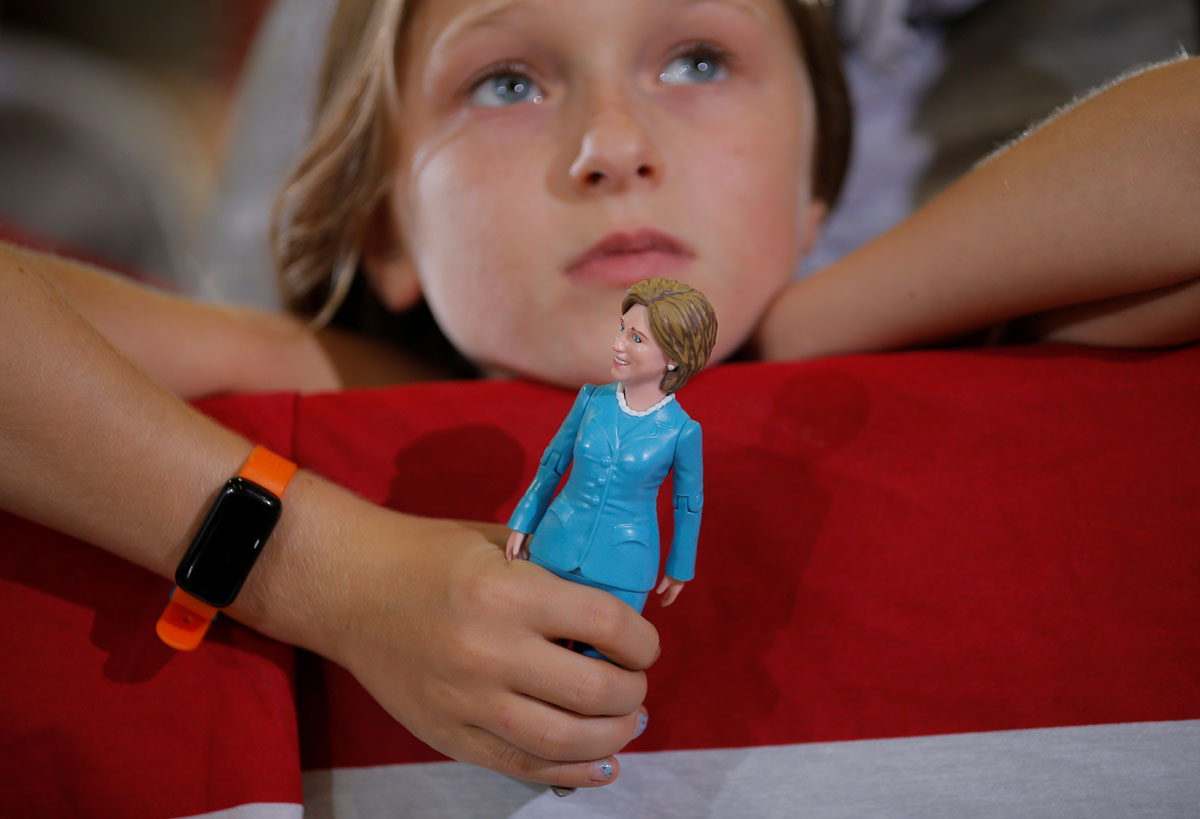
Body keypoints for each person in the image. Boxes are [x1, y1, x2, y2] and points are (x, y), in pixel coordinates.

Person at [2, 0, 1198, 794]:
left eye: (697, 60)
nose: (612, 142)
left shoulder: (969, 350)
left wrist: (810, 330)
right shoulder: (340, 382)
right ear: (387, 231)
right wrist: (332, 575)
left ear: (814, 193)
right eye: (508, 81)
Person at [505, 279, 718, 638]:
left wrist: (680, 566)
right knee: (530, 647)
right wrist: (524, 518)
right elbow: (554, 462)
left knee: (599, 663)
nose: (617, 344)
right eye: (622, 329)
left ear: (673, 358)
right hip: (554, 543)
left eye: (636, 338)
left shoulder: (682, 431)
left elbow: (687, 504)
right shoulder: (591, 399)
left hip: (626, 563)